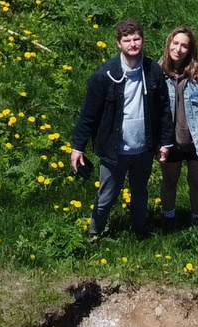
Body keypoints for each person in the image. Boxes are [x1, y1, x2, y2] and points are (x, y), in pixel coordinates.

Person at [69, 17, 169, 239]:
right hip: (114, 150)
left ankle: (140, 233)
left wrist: (164, 142)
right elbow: (88, 114)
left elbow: (164, 110)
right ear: (118, 43)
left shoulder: (153, 71)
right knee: (107, 196)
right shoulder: (104, 75)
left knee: (140, 193)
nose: (133, 44)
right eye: (127, 40)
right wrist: (78, 147)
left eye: (136, 39)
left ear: (143, 40)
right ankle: (94, 234)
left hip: (143, 149)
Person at [156, 26, 198, 229]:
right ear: (169, 44)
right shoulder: (157, 71)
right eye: (175, 43)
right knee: (169, 181)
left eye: (184, 46)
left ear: (190, 49)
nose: (178, 49)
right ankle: (169, 219)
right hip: (169, 141)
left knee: (197, 183)